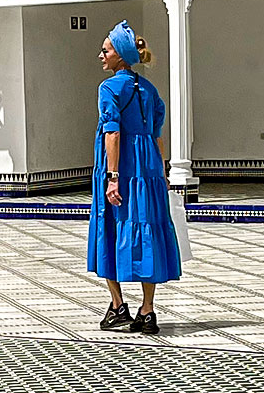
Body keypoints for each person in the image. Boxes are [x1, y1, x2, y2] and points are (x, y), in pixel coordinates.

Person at [88, 22, 178, 335]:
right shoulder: (150, 90)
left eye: (106, 50)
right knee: (148, 232)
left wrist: (113, 177)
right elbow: (156, 135)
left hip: (122, 168)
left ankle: (117, 306)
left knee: (108, 228)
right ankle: (148, 310)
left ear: (120, 56)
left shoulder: (109, 88)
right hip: (148, 170)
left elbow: (113, 133)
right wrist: (162, 172)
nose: (101, 55)